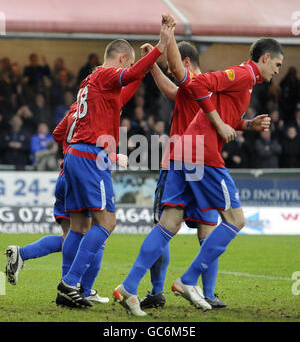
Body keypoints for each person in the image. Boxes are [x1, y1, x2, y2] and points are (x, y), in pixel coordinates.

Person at [113, 31, 283, 316]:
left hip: (182, 154)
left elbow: (210, 101)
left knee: (169, 223)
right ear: (265, 58)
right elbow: (199, 84)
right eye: (277, 65)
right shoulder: (242, 74)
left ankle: (129, 287)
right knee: (234, 219)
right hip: (201, 155)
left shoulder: (247, 82)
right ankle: (188, 281)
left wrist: (245, 124)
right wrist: (219, 123)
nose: (277, 72)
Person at [56, 17, 175, 310]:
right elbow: (130, 74)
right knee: (107, 222)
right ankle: (70, 283)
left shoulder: (92, 81)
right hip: (90, 157)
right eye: (128, 64)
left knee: (80, 224)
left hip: (74, 155)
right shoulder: (107, 74)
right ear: (121, 59)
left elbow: (129, 84)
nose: (127, 69)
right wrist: (160, 47)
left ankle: (70, 288)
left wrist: (148, 64)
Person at [135, 39, 225, 311]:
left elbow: (171, 88)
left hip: (177, 163)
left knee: (162, 228)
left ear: (184, 62)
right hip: (205, 164)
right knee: (208, 232)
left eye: (173, 65)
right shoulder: (209, 86)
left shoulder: (189, 82)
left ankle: (155, 291)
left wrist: (153, 60)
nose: (172, 70)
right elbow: (172, 91)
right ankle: (208, 294)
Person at [5, 103, 109, 305]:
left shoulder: (75, 109)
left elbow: (57, 133)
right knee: (97, 234)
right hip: (84, 173)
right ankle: (81, 290)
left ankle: (22, 254)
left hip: (67, 172)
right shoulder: (98, 110)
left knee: (71, 237)